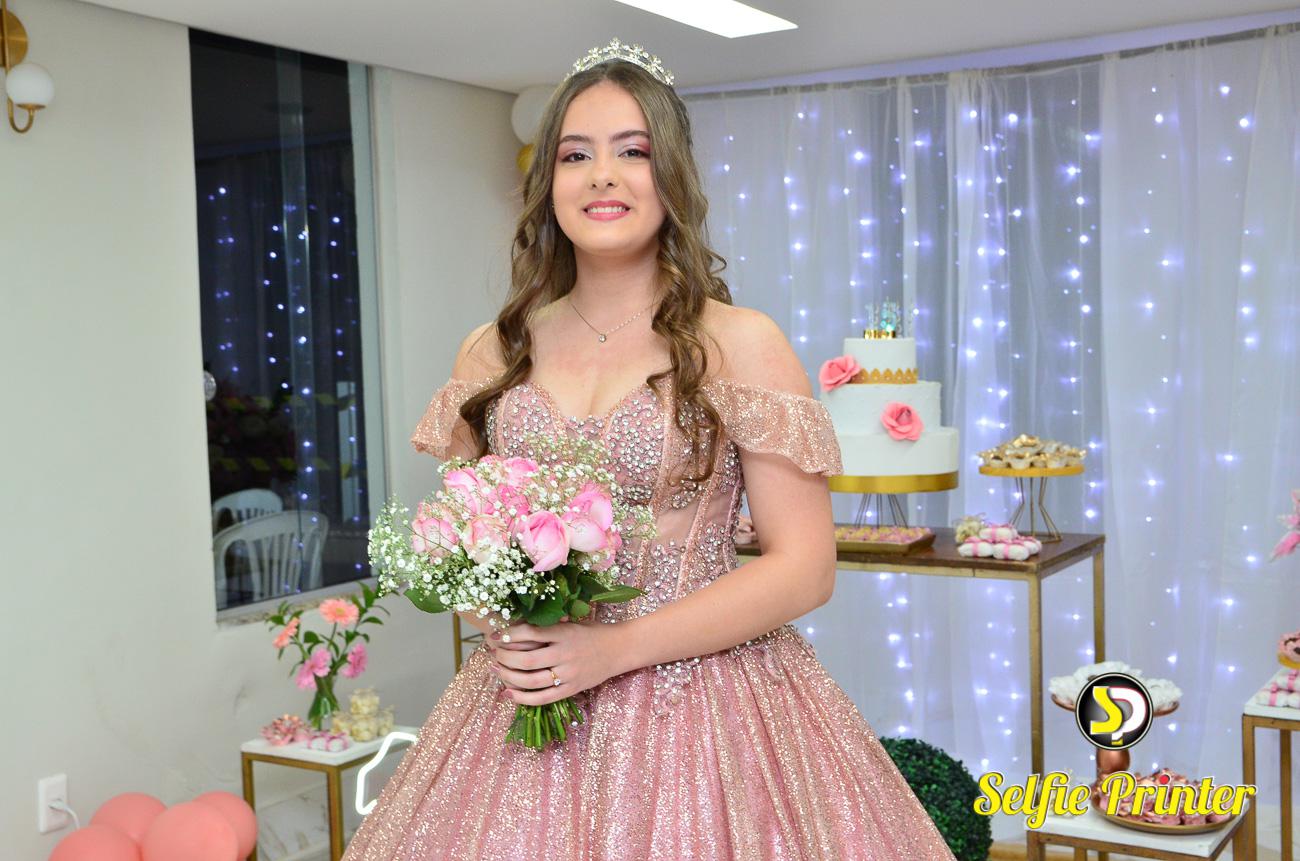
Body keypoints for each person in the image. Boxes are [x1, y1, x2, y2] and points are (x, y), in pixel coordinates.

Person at [342, 39, 956, 861]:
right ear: (547, 181)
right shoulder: (492, 352)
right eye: (576, 155)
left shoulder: (739, 342)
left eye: (632, 151)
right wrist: (506, 626)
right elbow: (469, 548)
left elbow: (805, 567)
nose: (603, 176)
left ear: (671, 174)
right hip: (528, 711)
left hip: (705, 707)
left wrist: (612, 648)